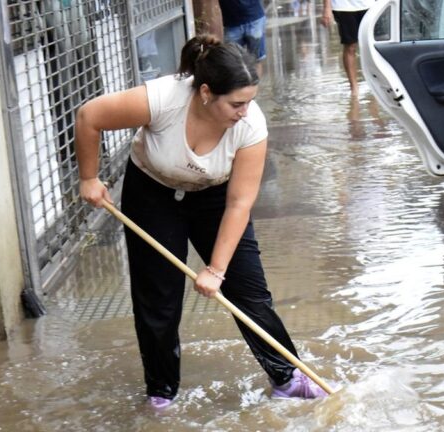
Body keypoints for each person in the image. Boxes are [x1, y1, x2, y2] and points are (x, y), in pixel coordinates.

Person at [74, 35, 327, 409]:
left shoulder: (250, 126)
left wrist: (217, 269)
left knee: (249, 292)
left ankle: (287, 377)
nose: (245, 111)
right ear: (206, 93)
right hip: (153, 191)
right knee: (158, 300)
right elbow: (88, 116)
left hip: (215, 197)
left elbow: (240, 202)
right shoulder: (162, 99)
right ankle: (161, 392)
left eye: (250, 101)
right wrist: (89, 178)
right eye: (236, 103)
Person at [321, 0, 375, 93]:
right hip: (344, 7)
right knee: (350, 46)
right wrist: (327, 8)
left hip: (369, 5)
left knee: (371, 45)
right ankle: (354, 87)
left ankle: (374, 83)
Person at [218, 0, 267, 75]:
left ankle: (255, 86)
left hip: (254, 19)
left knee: (255, 60)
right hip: (231, 23)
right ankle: (238, 86)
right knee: (231, 61)